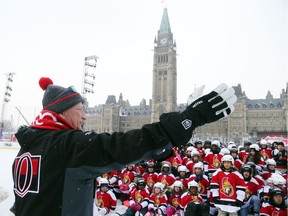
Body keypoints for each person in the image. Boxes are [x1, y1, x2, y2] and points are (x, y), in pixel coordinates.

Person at [12, 77, 237, 216]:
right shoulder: (69, 145)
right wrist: (188, 119)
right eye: (80, 108)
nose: (84, 116)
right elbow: (124, 145)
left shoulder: (28, 147)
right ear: (62, 111)